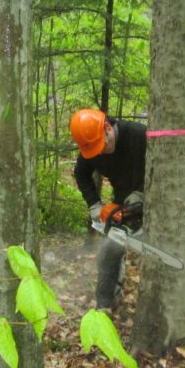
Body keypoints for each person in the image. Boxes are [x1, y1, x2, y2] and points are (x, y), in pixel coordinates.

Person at [70, 109, 146, 310]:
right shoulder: (91, 147)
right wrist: (94, 204)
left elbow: (167, 167)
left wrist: (143, 192)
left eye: (104, 145)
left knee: (154, 260)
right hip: (122, 202)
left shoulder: (139, 135)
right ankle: (105, 304)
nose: (102, 151)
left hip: (154, 201)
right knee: (108, 253)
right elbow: (81, 174)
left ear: (108, 128)